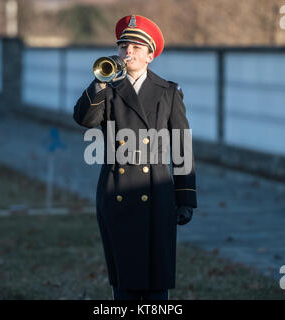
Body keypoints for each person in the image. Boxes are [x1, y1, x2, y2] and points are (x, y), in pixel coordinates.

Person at [73, 14, 197, 300]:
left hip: (156, 189)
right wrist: (99, 83)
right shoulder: (108, 89)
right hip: (117, 190)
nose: (128, 52)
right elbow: (84, 119)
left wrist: (186, 197)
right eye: (123, 46)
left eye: (136, 47)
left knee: (156, 279)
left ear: (150, 55)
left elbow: (181, 147)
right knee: (125, 279)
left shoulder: (168, 91)